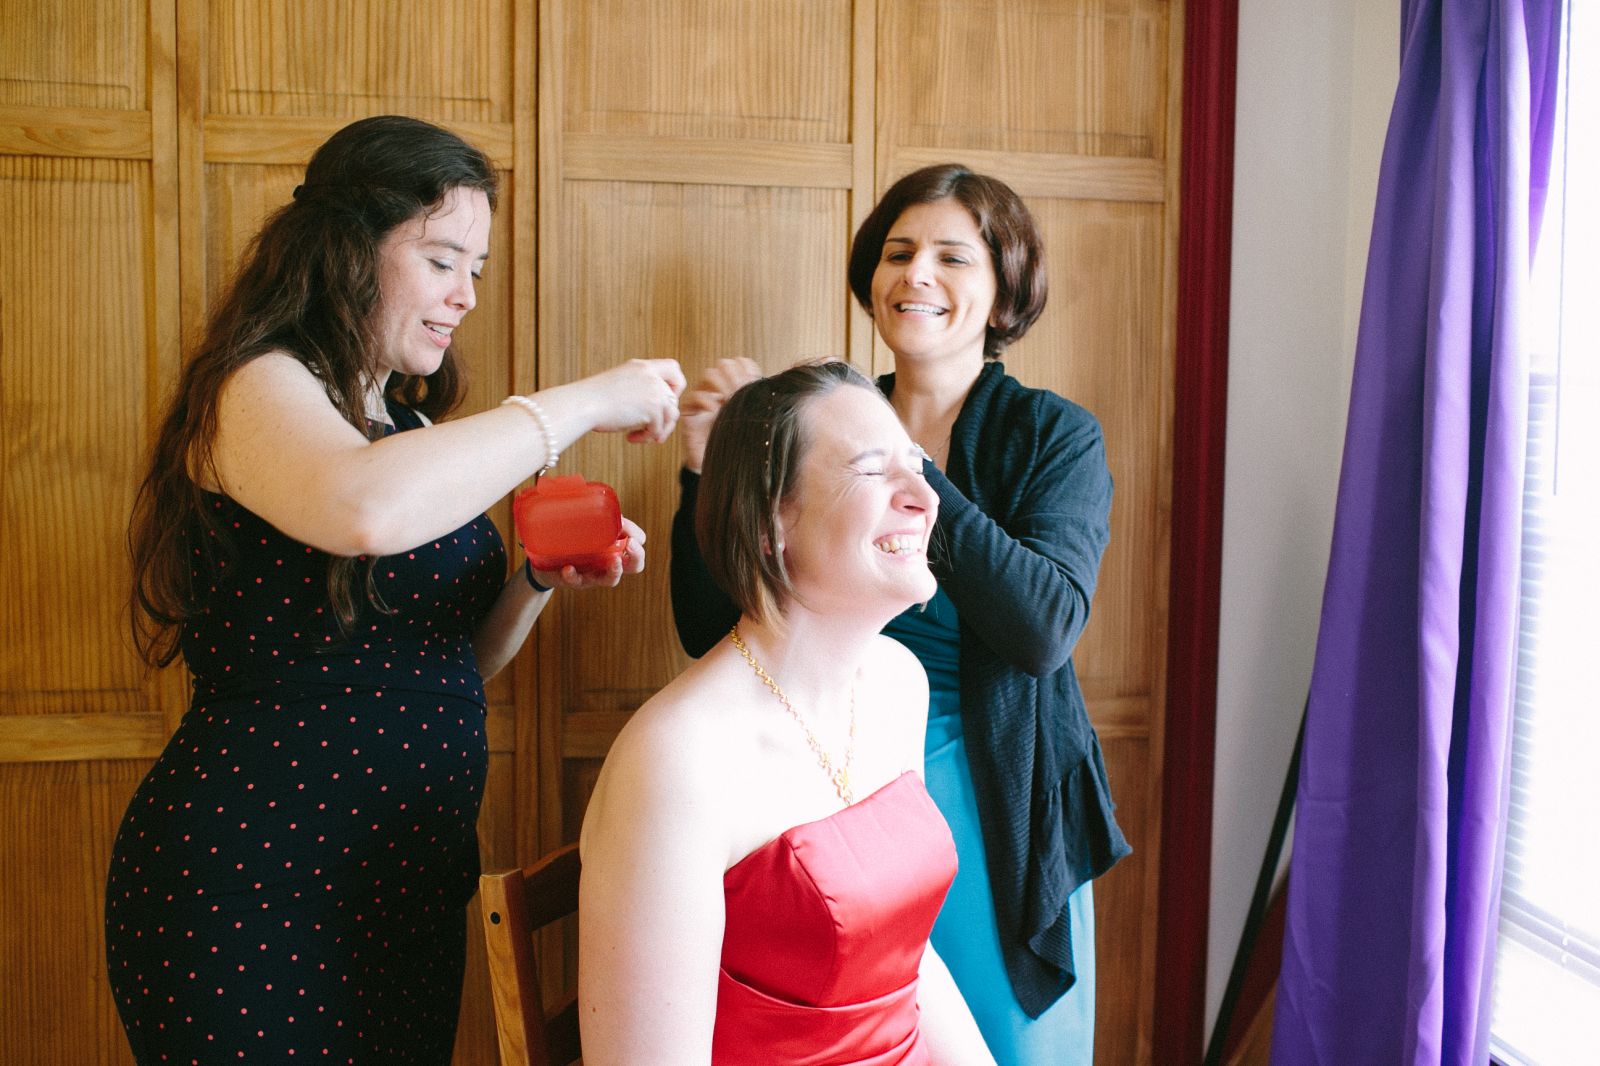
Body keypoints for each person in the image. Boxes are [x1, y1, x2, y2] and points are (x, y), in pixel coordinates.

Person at [105, 114, 685, 1065]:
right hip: (256, 882)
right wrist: (583, 402)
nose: (464, 296)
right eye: (443, 259)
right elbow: (362, 512)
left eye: (477, 272)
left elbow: (452, 659)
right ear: (347, 247)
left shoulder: (404, 423)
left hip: (403, 888)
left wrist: (537, 578)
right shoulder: (256, 387)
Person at [669, 165, 1130, 1064]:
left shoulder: (1055, 434)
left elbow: (1043, 630)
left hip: (995, 793)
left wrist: (900, 463)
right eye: (898, 252)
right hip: (829, 783)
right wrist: (699, 474)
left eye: (952, 257)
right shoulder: (814, 429)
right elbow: (708, 628)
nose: (916, 274)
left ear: (1003, 293)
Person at [580, 362, 996, 1066]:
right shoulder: (677, 757)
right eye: (872, 471)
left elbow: (904, 958)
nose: (924, 496)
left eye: (918, 465)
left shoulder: (900, 683)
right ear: (774, 521)